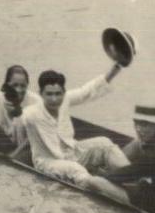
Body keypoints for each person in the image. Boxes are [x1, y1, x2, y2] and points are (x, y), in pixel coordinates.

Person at [21, 67, 131, 203]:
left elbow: (89, 90)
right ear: (41, 94)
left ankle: (134, 180)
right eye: (49, 94)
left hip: (73, 152)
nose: (54, 99)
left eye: (58, 94)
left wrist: (117, 67)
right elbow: (14, 114)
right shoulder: (31, 113)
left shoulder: (65, 99)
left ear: (63, 93)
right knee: (77, 170)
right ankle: (130, 200)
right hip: (49, 162)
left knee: (105, 142)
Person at [0, 65, 41, 154]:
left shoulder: (35, 101)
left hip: (31, 145)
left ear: (27, 85)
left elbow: (32, 138)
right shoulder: (2, 97)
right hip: (12, 138)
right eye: (15, 85)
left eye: (23, 86)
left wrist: (14, 154)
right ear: (7, 84)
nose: (18, 90)